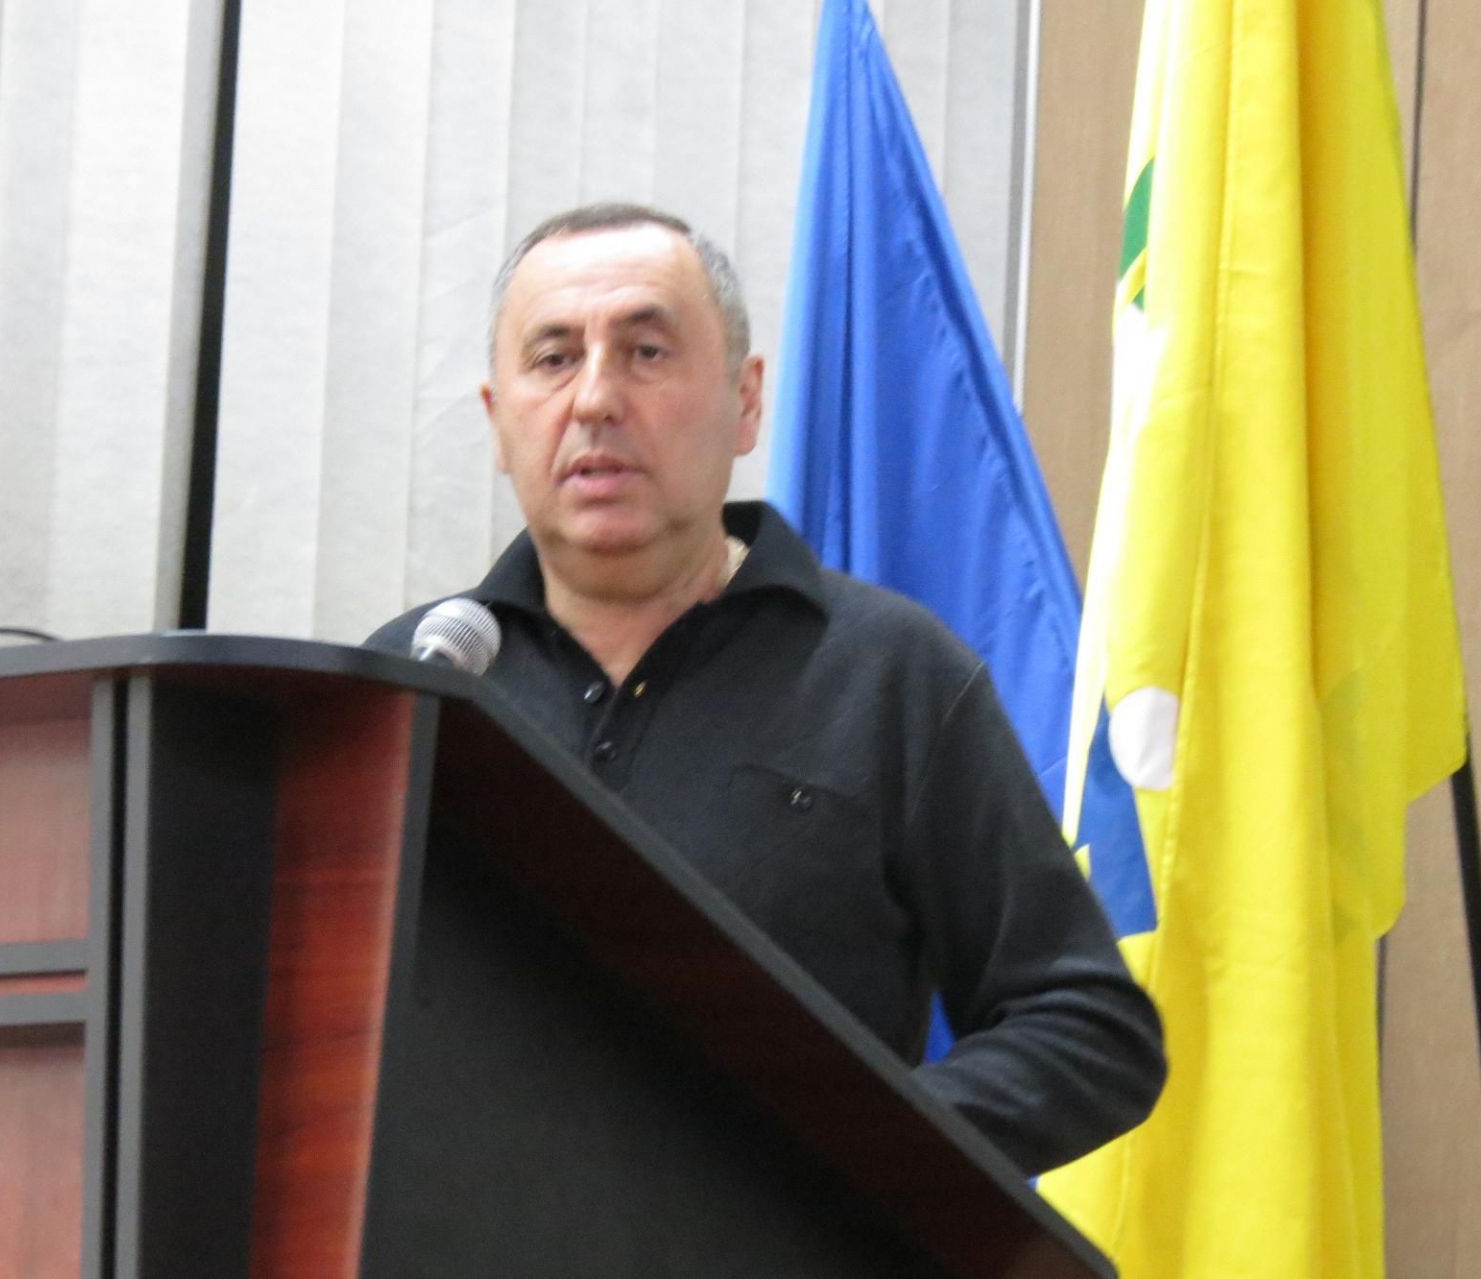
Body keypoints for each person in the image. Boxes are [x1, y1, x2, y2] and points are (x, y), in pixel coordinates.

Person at [366, 202, 1165, 1176]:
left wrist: (839, 1152)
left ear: (745, 402)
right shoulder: (417, 677)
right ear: (499, 420)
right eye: (554, 358)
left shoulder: (888, 674)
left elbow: (1089, 1030)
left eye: (647, 352)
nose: (595, 398)